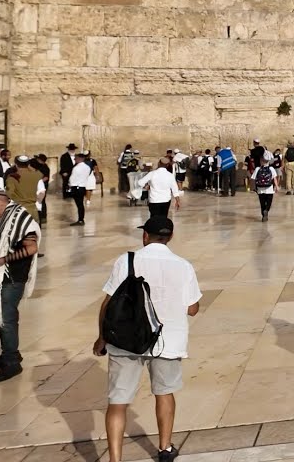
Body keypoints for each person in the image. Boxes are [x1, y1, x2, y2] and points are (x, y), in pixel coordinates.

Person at [94, 216, 201, 462]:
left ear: (145, 236)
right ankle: (164, 449)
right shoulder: (183, 265)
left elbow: (107, 303)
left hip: (126, 340)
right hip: (168, 340)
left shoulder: (127, 260)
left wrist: (101, 338)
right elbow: (192, 308)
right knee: (164, 393)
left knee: (118, 402)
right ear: (170, 237)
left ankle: (115, 459)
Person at [0, 183, 41, 383]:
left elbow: (31, 248)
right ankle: (7, 355)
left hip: (12, 277)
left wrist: (0, 260)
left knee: (7, 319)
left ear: (1, 202)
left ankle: (13, 363)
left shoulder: (21, 218)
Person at [68, 152, 94, 226]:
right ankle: (81, 219)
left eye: (75, 158)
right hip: (82, 187)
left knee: (79, 205)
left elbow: (72, 179)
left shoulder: (76, 168)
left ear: (80, 159)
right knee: (81, 205)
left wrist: (69, 185)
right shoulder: (88, 167)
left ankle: (80, 220)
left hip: (76, 187)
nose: (74, 159)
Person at [251, 157, 279, 221]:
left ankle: (264, 216)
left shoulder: (257, 169)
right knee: (269, 202)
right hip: (269, 189)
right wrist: (277, 186)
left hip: (260, 189)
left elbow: (253, 179)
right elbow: (274, 178)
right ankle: (266, 210)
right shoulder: (271, 168)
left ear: (261, 161)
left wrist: (253, 187)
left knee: (262, 203)